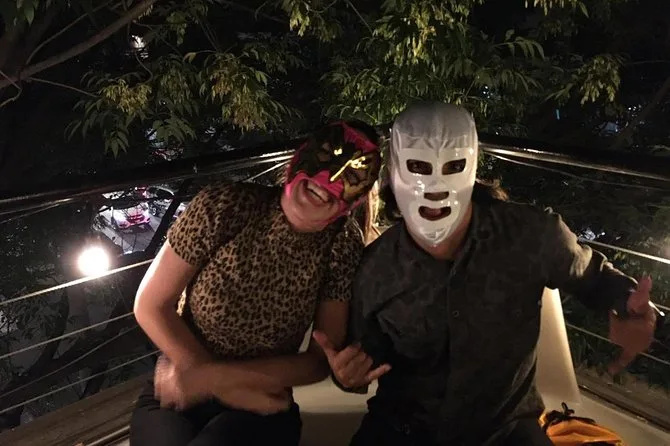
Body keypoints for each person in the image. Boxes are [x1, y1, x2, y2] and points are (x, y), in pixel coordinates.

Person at [313, 101, 658, 446]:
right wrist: (347, 375)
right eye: (418, 166)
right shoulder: (375, 268)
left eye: (453, 166)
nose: (435, 187)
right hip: (402, 430)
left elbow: (595, 277)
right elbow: (365, 355)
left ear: (472, 165)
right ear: (395, 169)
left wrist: (631, 306)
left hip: (505, 431)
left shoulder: (530, 236)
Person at [129, 120, 382, 446]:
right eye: (325, 157)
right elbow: (151, 304)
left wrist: (216, 379)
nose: (330, 179)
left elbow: (319, 360)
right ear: (297, 159)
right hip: (179, 380)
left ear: (356, 200)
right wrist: (204, 376)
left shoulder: (341, 245)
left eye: (352, 177)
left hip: (262, 398)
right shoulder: (222, 205)